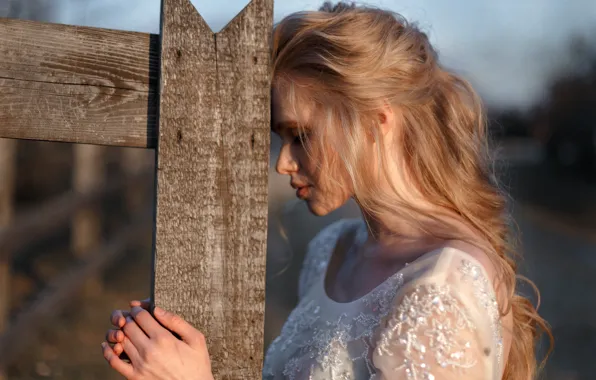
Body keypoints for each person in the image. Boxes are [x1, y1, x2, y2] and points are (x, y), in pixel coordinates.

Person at [101, 2, 552, 379]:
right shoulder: (331, 251)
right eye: (281, 139)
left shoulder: (444, 283)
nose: (283, 162)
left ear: (377, 120)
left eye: (302, 135)